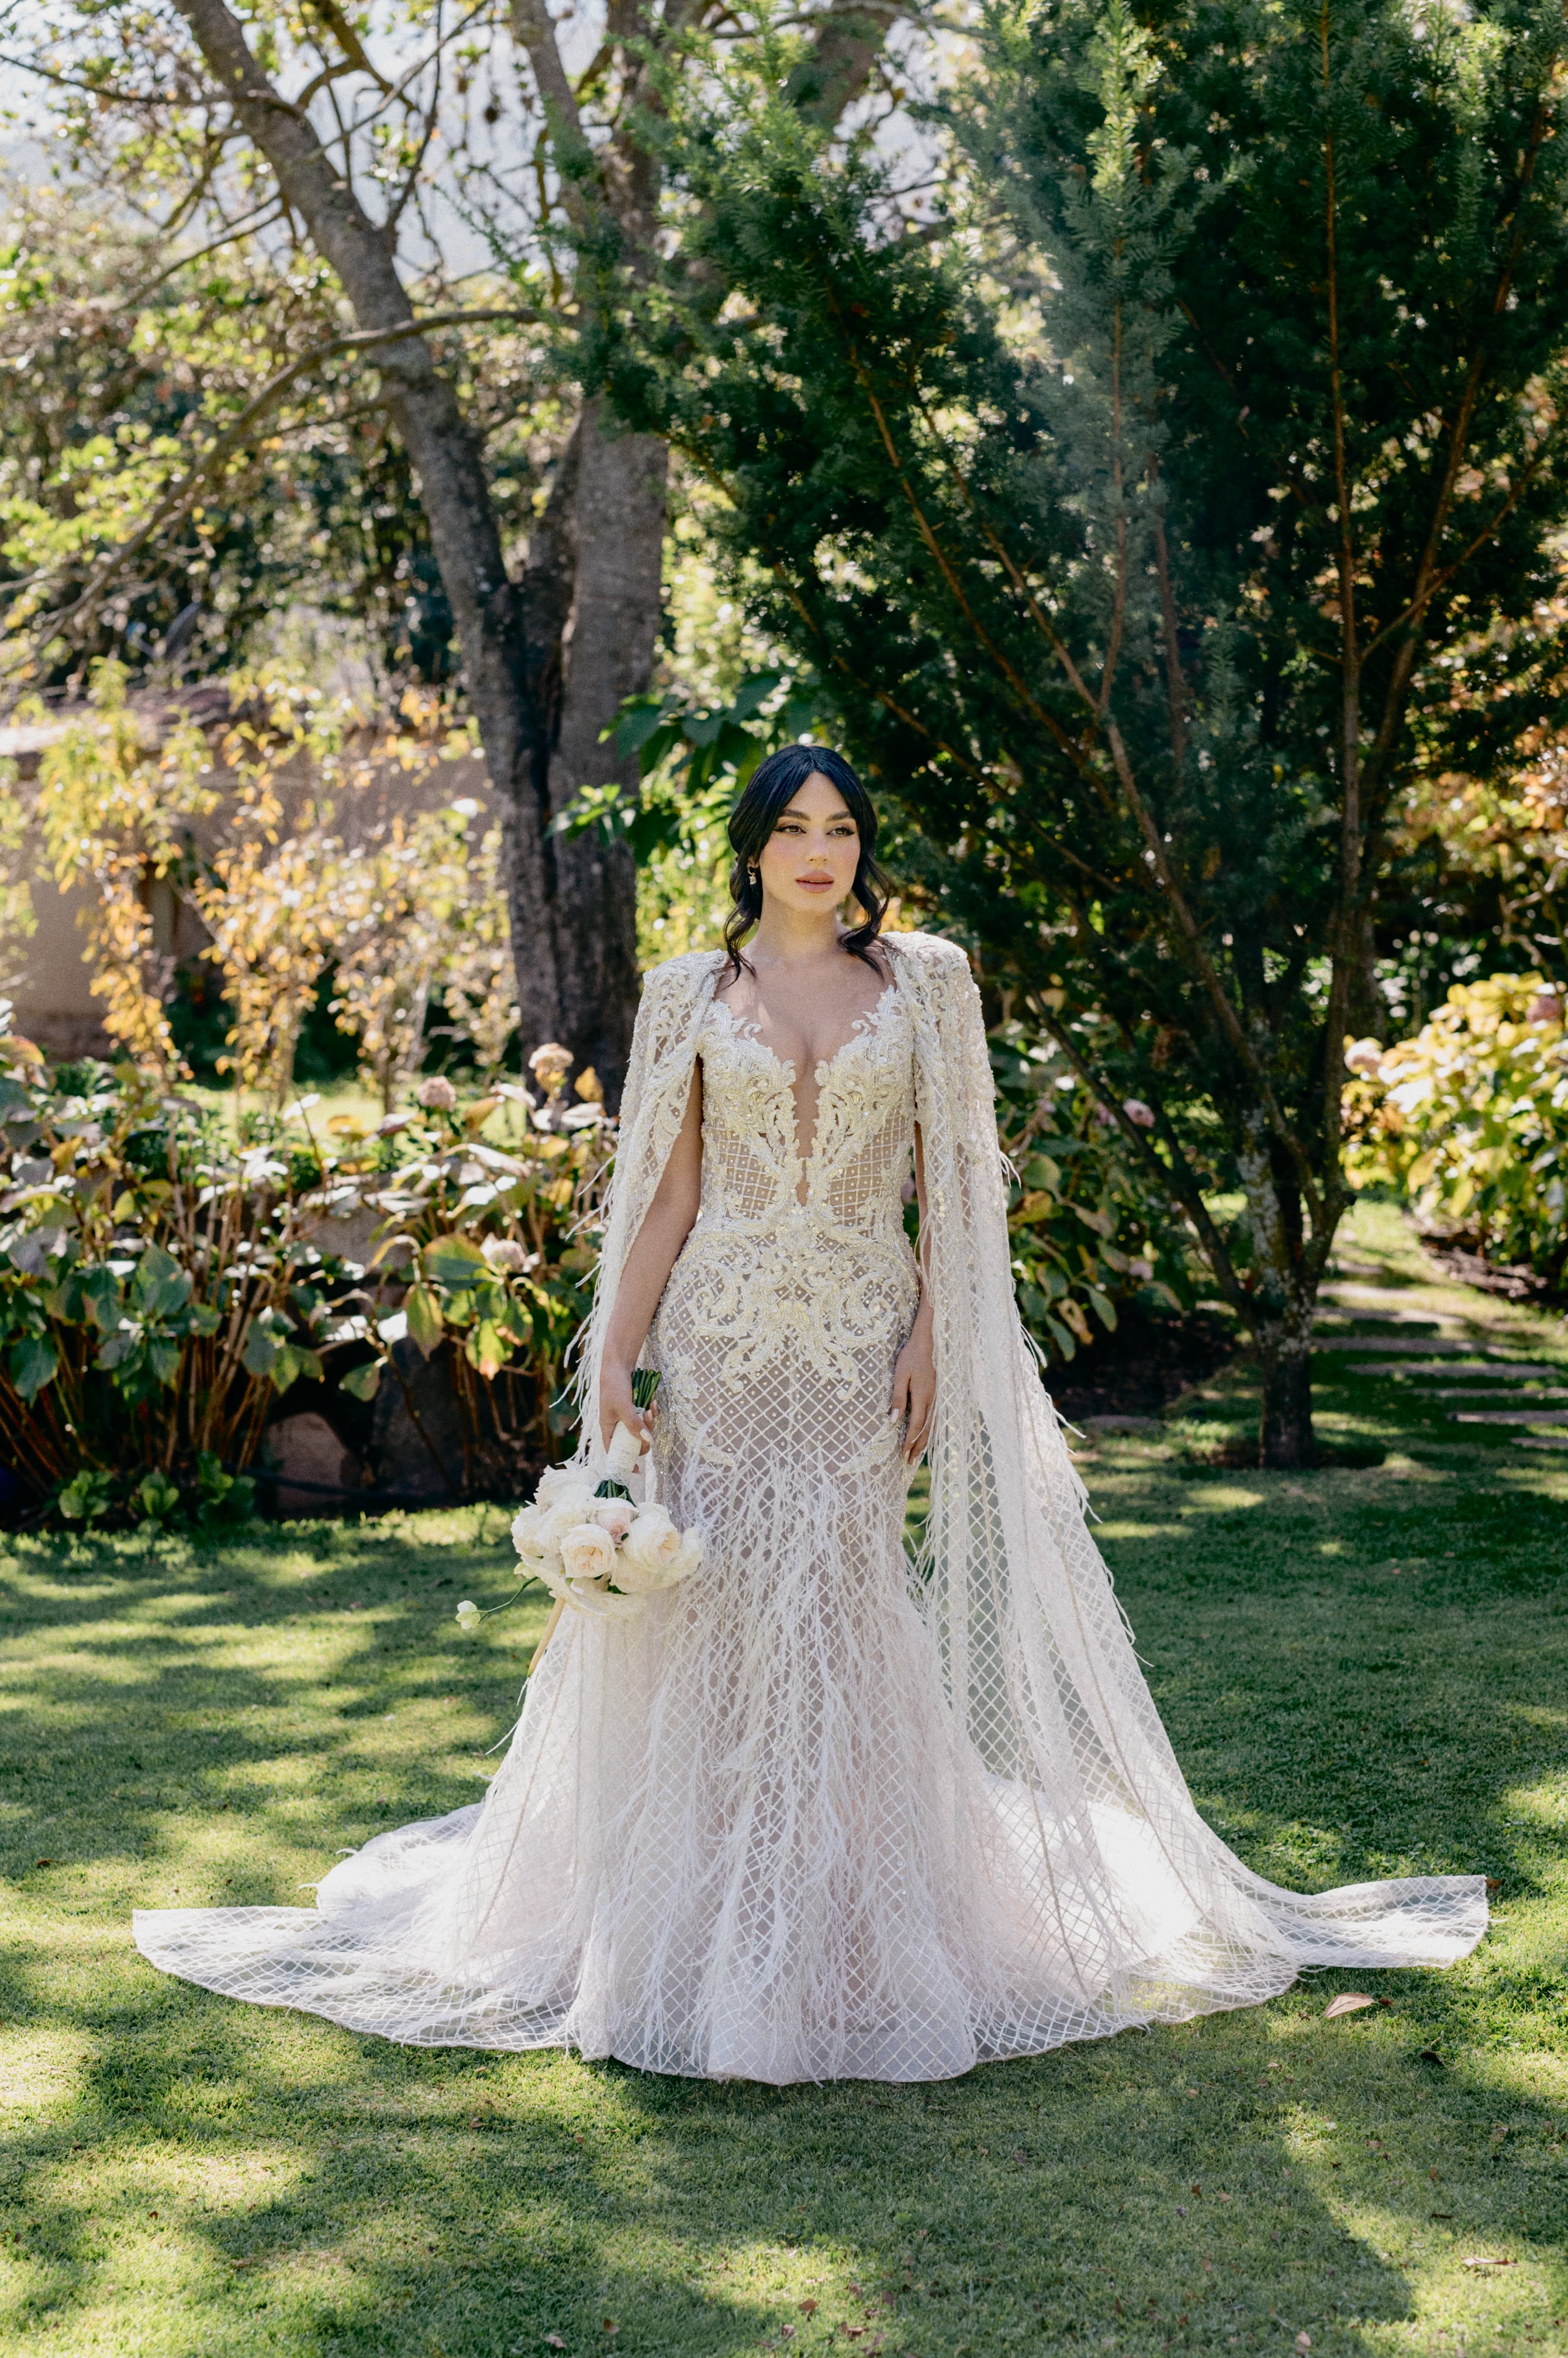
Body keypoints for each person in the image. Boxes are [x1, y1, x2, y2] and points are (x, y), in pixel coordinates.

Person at [134, 746, 1488, 2082]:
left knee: (843, 1596)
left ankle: (849, 1914)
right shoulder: (688, 991)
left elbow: (958, 1184)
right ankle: (698, 1912)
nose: (820, 851)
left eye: (841, 827)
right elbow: (669, 1194)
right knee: (712, 1603)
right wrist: (616, 1355)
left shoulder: (925, 982)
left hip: (857, 1346)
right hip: (720, 1340)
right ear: (755, 846)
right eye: (794, 827)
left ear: (862, 847)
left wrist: (935, 1335)